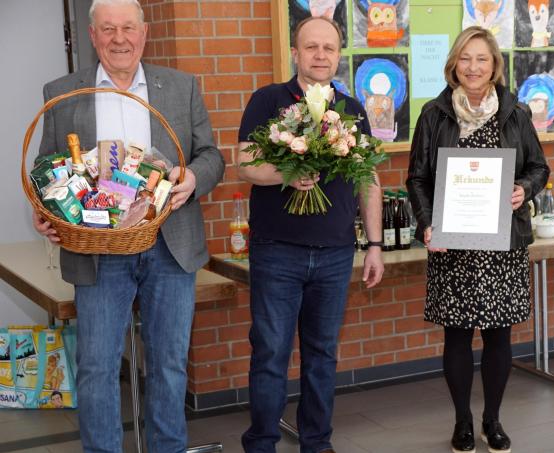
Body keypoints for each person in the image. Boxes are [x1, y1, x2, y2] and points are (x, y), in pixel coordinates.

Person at [32, 0, 225, 451]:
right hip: (97, 250)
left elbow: (211, 156)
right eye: (108, 29)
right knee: (97, 367)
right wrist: (46, 210)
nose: (119, 39)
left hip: (170, 245)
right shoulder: (62, 92)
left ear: (144, 33)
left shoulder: (180, 86)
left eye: (127, 28)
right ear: (92, 35)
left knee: (169, 365)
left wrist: (193, 178)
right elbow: (47, 168)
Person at [237, 16, 385, 453]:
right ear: (295, 53)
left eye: (329, 48)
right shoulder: (268, 100)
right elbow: (245, 164)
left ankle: (317, 443)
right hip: (277, 252)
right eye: (311, 47)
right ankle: (261, 444)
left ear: (339, 55)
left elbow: (368, 180)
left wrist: (374, 246)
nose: (321, 55)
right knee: (271, 354)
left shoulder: (352, 109)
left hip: (336, 253)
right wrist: (287, 171)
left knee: (322, 355)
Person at [406, 26, 550, 453]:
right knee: (456, 335)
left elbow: (539, 167)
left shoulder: (515, 112)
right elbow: (417, 178)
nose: (473, 67)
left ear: (494, 65)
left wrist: (524, 188)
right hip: (452, 243)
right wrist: (427, 223)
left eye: (481, 59)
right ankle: (463, 421)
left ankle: (492, 419)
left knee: (499, 335)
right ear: (454, 64)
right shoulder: (434, 114)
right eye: (465, 58)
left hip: (503, 243)